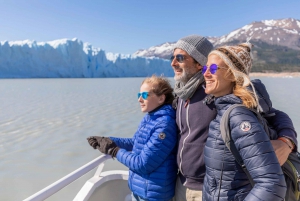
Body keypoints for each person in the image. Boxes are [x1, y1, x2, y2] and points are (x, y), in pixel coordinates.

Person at [170, 35, 297, 201]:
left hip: (212, 187)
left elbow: (275, 115)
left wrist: (286, 141)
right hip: (185, 183)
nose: (173, 63)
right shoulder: (180, 95)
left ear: (198, 61)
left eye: (180, 58)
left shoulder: (217, 92)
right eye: (171, 57)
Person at [202, 43, 287, 200]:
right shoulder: (223, 110)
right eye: (204, 68)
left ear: (233, 75)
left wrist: (287, 142)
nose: (206, 73)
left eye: (213, 69)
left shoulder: (238, 116)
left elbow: (271, 184)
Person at [87, 75, 178, 201]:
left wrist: (114, 151)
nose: (140, 99)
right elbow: (135, 142)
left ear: (161, 98)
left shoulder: (165, 125)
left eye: (145, 95)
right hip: (140, 190)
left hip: (153, 195)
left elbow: (143, 164)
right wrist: (108, 140)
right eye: (138, 95)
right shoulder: (150, 117)